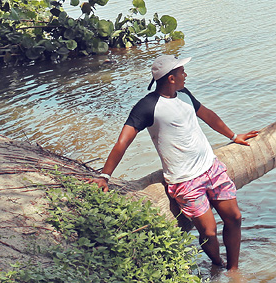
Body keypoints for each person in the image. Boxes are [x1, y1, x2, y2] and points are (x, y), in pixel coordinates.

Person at [94, 54, 260, 271]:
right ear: (171, 78)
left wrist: (233, 136)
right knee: (208, 232)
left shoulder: (184, 94)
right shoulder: (147, 106)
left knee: (235, 217)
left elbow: (207, 115)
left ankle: (234, 270)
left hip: (211, 168)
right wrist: (104, 176)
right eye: (182, 71)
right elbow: (122, 142)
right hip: (185, 180)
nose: (185, 75)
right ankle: (217, 265)